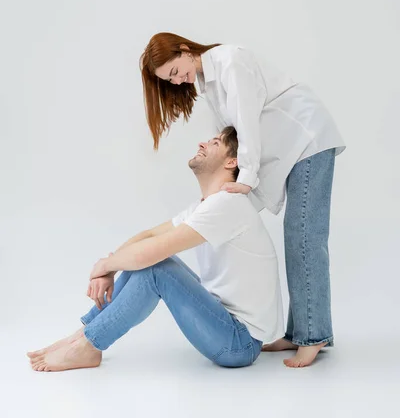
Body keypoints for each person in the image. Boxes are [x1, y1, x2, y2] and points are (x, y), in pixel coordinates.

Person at [140, 32, 346, 368]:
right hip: (288, 149)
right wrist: (221, 198)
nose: (178, 81)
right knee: (297, 235)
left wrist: (246, 180)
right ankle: (299, 333)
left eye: (175, 71)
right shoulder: (207, 85)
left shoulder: (229, 61)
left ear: (184, 50)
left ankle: (314, 335)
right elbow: (230, 141)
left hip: (308, 137)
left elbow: (247, 124)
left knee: (304, 237)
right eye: (170, 79)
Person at [27, 127, 283, 372]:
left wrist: (106, 266)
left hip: (239, 343)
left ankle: (89, 344)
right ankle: (82, 336)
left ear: (231, 162)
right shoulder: (205, 206)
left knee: (156, 267)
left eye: (215, 143)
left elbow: (153, 250)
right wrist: (110, 267)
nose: (202, 144)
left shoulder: (228, 205)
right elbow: (148, 236)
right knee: (151, 262)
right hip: (225, 325)